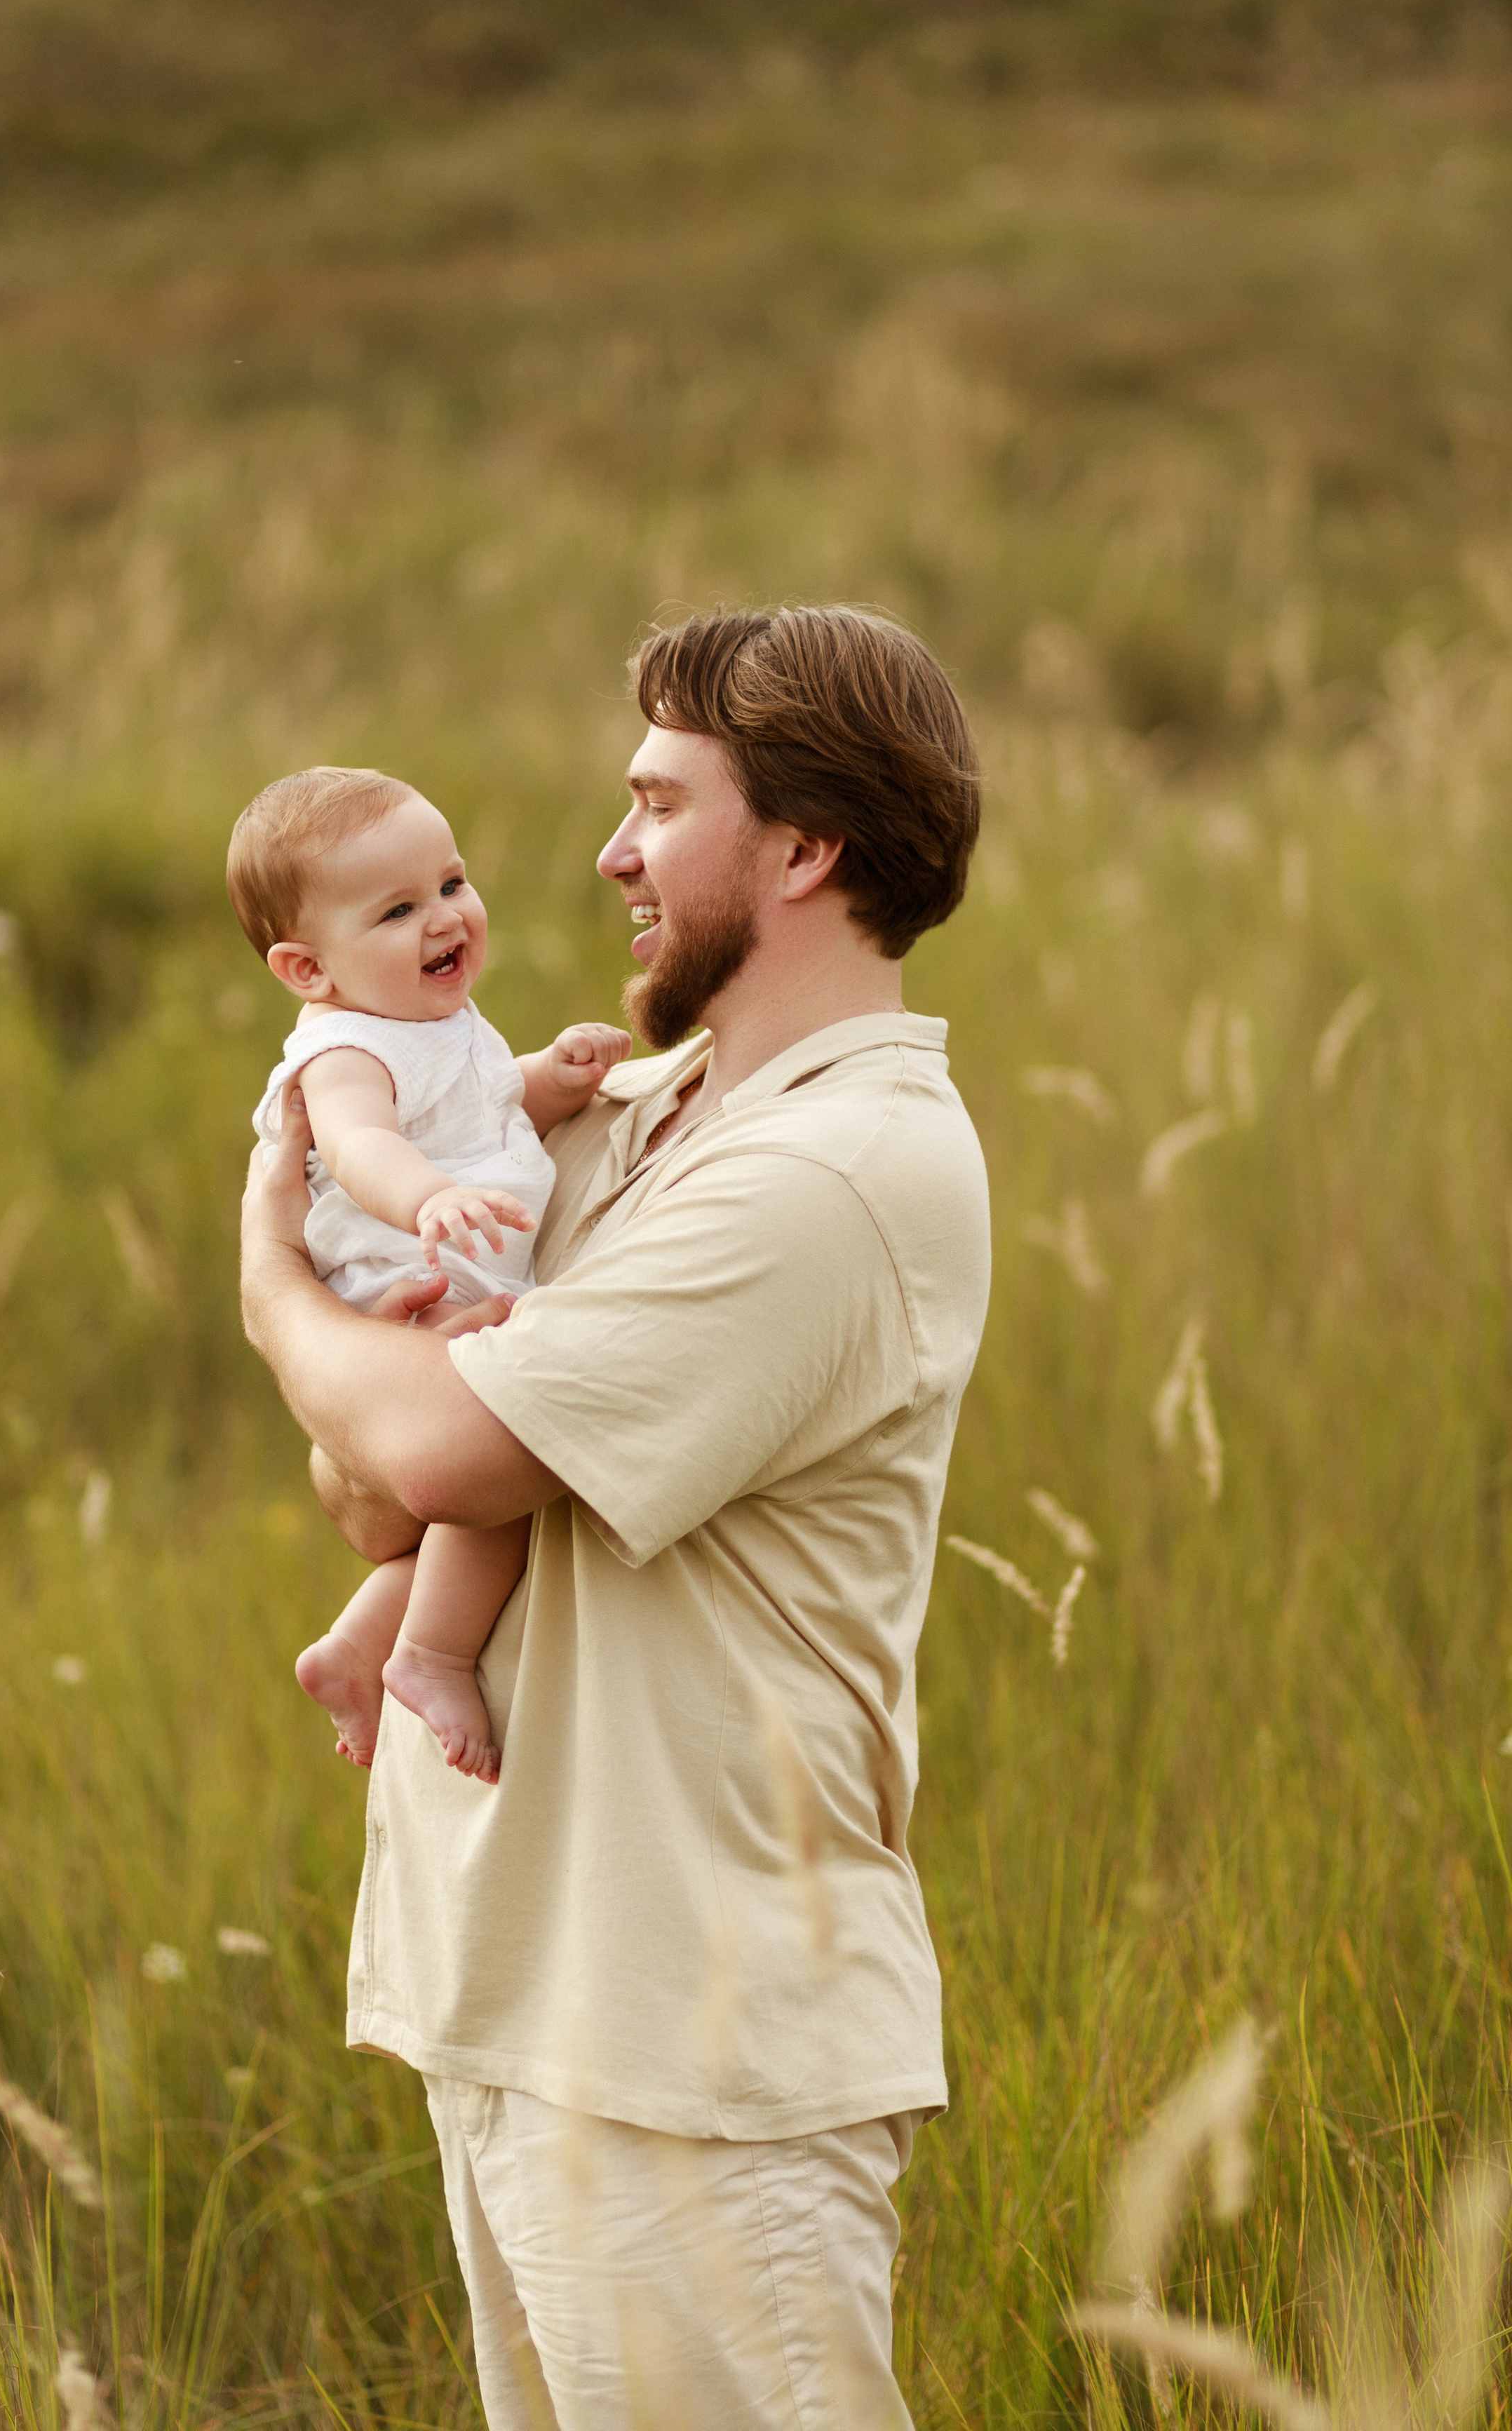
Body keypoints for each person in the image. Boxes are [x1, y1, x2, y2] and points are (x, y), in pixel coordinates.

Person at [240, 606, 992, 2431]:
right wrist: (384, 1394)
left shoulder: (836, 1171)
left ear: (802, 848)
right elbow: (365, 1493)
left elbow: (431, 1452)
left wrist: (270, 1285)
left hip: (695, 2066)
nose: (609, 854)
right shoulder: (629, 1117)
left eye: (659, 805)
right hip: (514, 2000)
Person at [228, 764, 629, 1779]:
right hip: (409, 1262)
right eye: (399, 909)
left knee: (482, 1475)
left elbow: (488, 1121)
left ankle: (356, 1650)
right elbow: (365, 1150)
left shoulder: (436, 1023)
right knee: (495, 1477)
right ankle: (435, 1656)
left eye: (452, 885)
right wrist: (425, 1203)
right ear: (307, 970)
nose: (445, 919)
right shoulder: (346, 1051)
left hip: (446, 1247)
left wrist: (550, 1078)